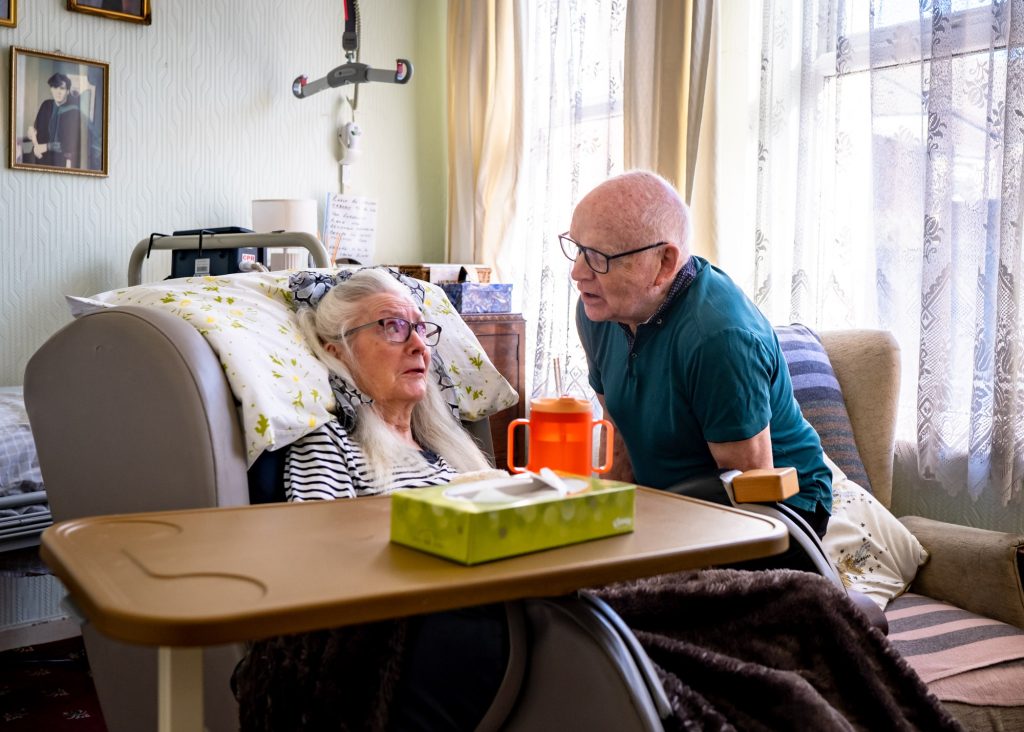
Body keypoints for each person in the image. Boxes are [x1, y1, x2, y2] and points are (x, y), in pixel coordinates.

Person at [233, 267, 509, 732]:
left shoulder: (446, 449)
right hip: (423, 629)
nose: (419, 345)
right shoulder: (329, 444)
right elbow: (324, 572)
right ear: (334, 350)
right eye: (393, 327)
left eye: (420, 329)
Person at [567, 171, 833, 570]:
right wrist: (609, 529)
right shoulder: (598, 310)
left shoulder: (719, 337)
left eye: (599, 258)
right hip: (671, 506)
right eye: (577, 249)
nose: (578, 273)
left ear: (664, 262)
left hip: (780, 516)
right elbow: (617, 431)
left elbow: (750, 492)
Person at [27, 73, 82, 168]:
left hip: (60, 159)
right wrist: (31, 132)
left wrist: (45, 147)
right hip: (38, 155)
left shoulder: (73, 111)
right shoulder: (46, 105)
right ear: (51, 89)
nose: (58, 92)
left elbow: (69, 144)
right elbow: (36, 129)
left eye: (62, 88)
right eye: (55, 88)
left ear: (67, 91)